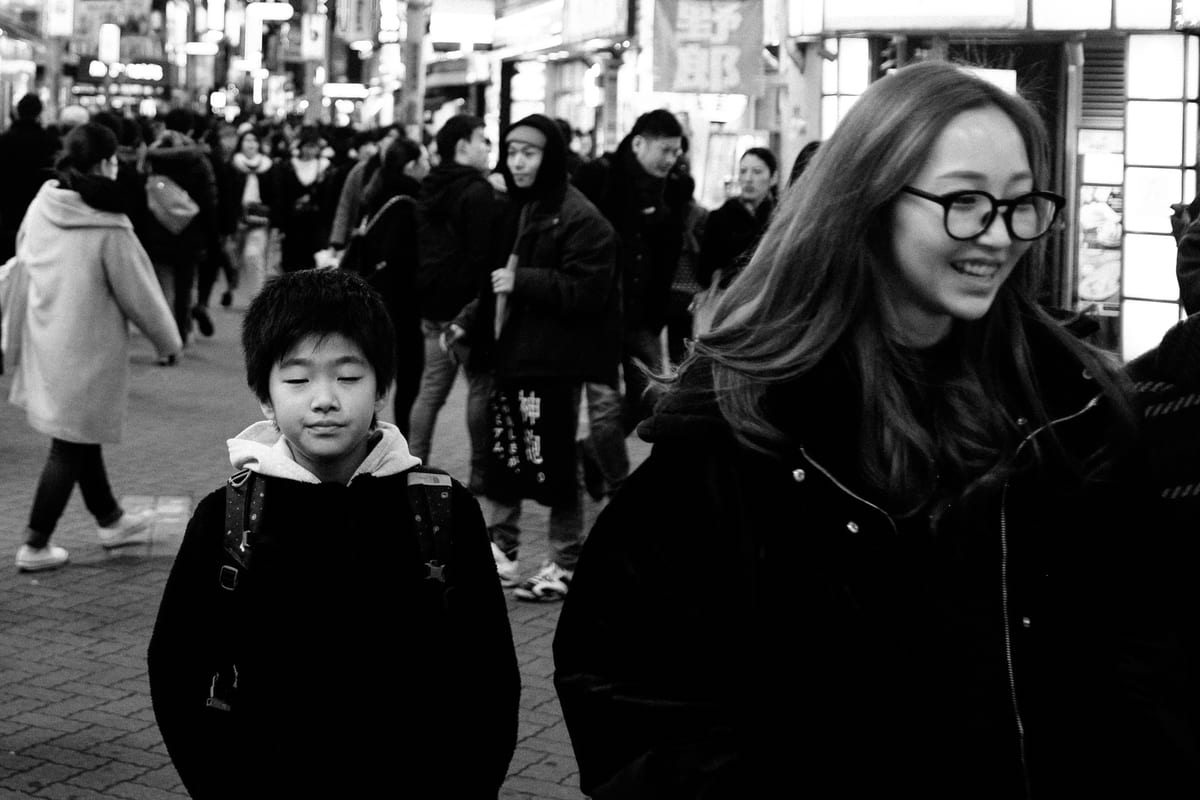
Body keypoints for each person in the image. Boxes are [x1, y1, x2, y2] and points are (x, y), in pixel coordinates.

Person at [553, 61, 1198, 798]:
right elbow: (624, 681)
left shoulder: (1073, 409)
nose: (999, 235)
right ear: (870, 200)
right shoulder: (744, 421)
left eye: (1021, 205)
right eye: (964, 201)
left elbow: (1143, 653)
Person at [146, 269, 519, 799]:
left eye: (348, 377)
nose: (324, 399)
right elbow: (177, 667)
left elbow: (489, 676)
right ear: (266, 398)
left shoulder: (441, 509)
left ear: (382, 388)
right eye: (297, 380)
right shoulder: (228, 517)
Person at [455, 114, 617, 601]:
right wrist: (468, 318)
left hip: (555, 364)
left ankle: (565, 562)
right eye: (513, 151)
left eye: (529, 152)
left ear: (551, 157)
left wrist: (525, 283)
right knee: (507, 453)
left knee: (558, 463)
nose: (518, 161)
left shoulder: (580, 216)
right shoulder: (525, 207)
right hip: (513, 357)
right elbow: (498, 279)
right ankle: (500, 551)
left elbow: (591, 290)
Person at [8, 123, 182, 572]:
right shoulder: (109, 223)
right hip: (88, 350)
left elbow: (23, 253)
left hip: (46, 338)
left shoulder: (42, 204)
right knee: (69, 443)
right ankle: (35, 542)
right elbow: (139, 291)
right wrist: (168, 342)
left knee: (78, 434)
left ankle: (110, 520)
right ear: (107, 163)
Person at [575, 109, 689, 433]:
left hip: (645, 317)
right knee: (604, 407)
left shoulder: (675, 188)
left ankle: (598, 469)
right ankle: (607, 476)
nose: (670, 160)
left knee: (651, 401)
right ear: (638, 143)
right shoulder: (597, 177)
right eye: (664, 150)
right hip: (602, 312)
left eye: (675, 152)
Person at [409, 113, 501, 491]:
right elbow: (484, 255)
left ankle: (412, 465)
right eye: (482, 139)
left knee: (431, 390)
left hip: (432, 303)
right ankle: (480, 470)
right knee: (480, 387)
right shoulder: (476, 191)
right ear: (463, 146)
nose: (487, 147)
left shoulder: (430, 185)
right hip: (465, 308)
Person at [347, 135, 430, 434]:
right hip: (400, 307)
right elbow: (402, 259)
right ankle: (403, 444)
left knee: (372, 376)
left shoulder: (377, 195)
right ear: (411, 166)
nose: (428, 166)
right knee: (409, 380)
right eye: (424, 160)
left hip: (371, 303)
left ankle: (361, 436)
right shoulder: (407, 204)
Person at [141, 107, 220, 354]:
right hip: (190, 231)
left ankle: (164, 343)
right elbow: (209, 200)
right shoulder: (198, 159)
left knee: (164, 288)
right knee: (185, 287)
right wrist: (212, 233)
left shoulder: (152, 157)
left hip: (158, 229)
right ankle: (182, 334)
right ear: (191, 129)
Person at [691, 147, 778, 338]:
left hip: (769, 307)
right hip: (728, 306)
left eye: (757, 172)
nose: (748, 178)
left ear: (773, 178)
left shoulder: (781, 220)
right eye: (743, 171)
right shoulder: (720, 218)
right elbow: (705, 271)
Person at [0, 93, 58, 263]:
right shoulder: (49, 142)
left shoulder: (4, 141)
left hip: (9, 206)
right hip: (40, 205)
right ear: (39, 113)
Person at [224, 128, 276, 298]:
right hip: (236, 220)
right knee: (234, 259)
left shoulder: (269, 166)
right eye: (247, 140)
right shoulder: (232, 166)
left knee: (253, 255)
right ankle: (230, 288)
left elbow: (277, 195)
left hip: (260, 221)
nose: (251, 144)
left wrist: (276, 222)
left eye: (254, 140)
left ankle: (258, 298)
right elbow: (227, 195)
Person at [272, 126, 328, 272]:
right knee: (291, 267)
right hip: (292, 226)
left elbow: (327, 200)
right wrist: (280, 225)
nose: (311, 151)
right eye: (308, 146)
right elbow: (280, 197)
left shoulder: (324, 167)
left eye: (314, 147)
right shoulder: (288, 167)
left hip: (314, 227)